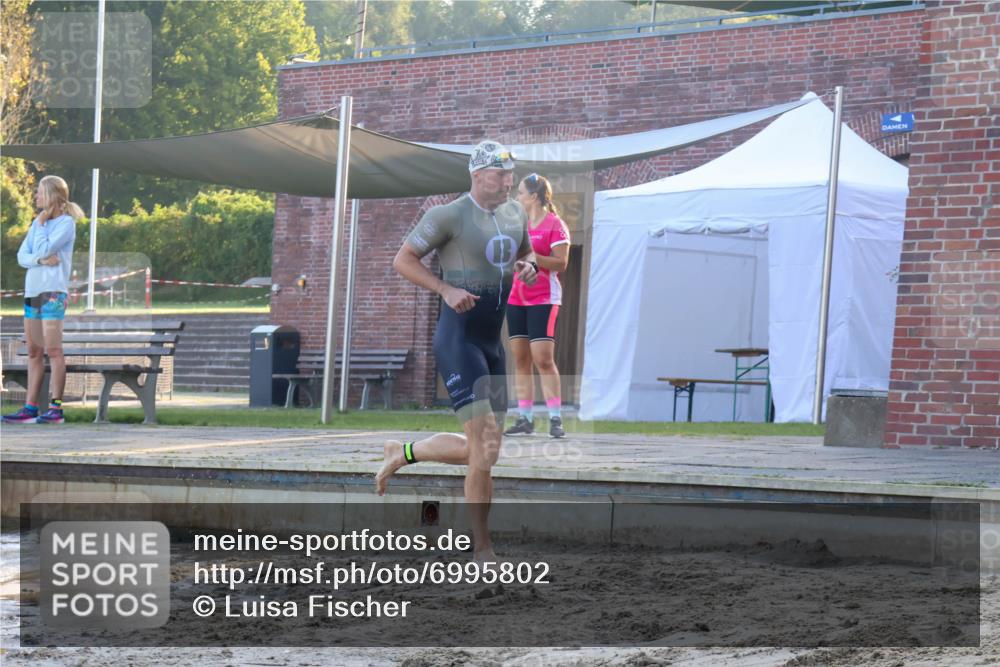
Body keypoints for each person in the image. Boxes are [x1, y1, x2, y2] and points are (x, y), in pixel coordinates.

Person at [377, 140, 538, 561]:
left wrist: (529, 265)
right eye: (501, 173)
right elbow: (403, 259)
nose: (508, 180)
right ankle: (482, 548)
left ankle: (403, 452)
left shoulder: (515, 213)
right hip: (459, 341)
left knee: (487, 452)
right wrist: (445, 288)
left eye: (511, 173)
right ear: (477, 174)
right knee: (482, 446)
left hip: (492, 345)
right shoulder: (447, 215)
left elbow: (526, 253)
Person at [2, 175, 82, 425]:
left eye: (39, 192)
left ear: (52, 195)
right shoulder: (38, 224)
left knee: (54, 350)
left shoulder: (66, 224)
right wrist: (39, 259)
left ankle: (56, 408)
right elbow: (22, 256)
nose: (35, 196)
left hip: (53, 293)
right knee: (35, 351)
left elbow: (46, 249)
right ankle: (30, 407)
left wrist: (40, 235)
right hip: (32, 292)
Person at [504, 173, 570, 439]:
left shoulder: (556, 224)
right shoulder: (515, 224)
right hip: (515, 298)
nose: (516, 197)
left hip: (544, 298)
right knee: (520, 359)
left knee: (543, 359)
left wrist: (532, 257)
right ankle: (525, 418)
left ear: (533, 196)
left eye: (520, 193)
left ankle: (555, 418)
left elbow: (561, 263)